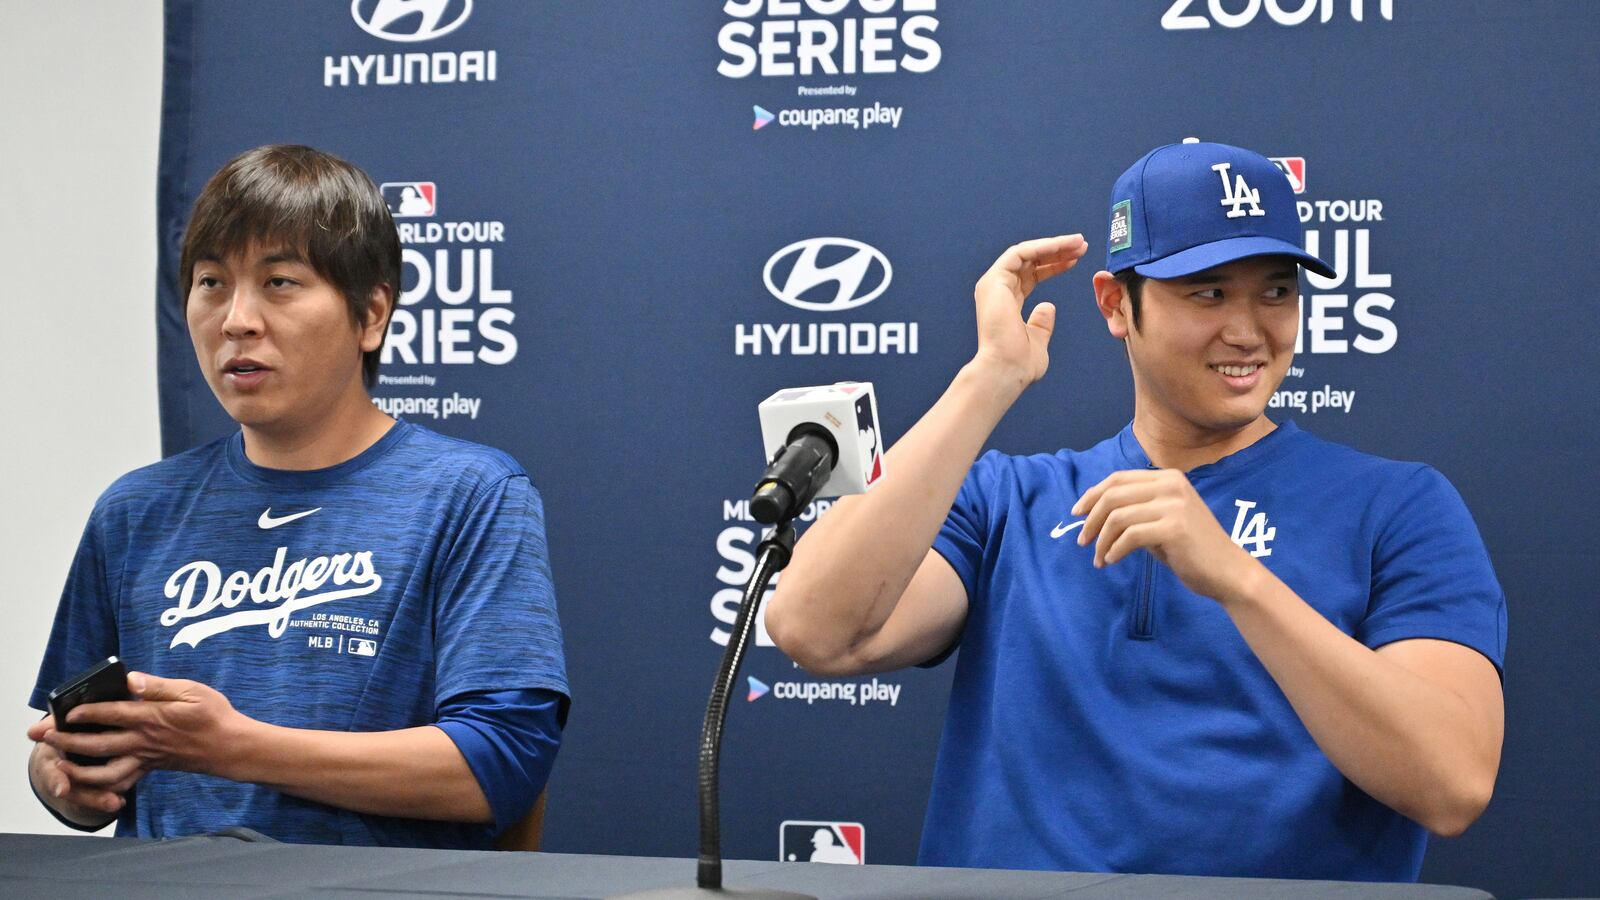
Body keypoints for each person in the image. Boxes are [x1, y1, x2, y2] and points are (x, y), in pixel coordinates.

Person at [764, 140, 1505, 881]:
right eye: (1208, 293)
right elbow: (815, 630)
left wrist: (1236, 579)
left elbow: (1451, 785)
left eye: (1277, 292)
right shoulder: (1008, 501)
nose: (1248, 330)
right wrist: (990, 377)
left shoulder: (1400, 506)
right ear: (1118, 305)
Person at [25, 145, 568, 849]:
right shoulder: (135, 511)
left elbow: (500, 766)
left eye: (279, 282)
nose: (237, 320)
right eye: (212, 282)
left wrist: (232, 746)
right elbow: (74, 768)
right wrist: (65, 775)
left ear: (371, 314)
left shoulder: (471, 496)